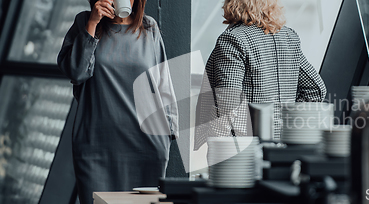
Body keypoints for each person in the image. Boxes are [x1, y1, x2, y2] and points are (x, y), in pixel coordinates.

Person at [57, 0, 178, 203]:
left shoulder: (149, 27)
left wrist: (169, 133)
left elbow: (164, 85)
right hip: (95, 147)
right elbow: (76, 73)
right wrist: (92, 24)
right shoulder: (84, 22)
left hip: (146, 147)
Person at [194, 0, 326, 150]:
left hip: (245, 151)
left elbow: (228, 106)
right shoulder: (288, 37)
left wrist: (220, 153)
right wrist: (289, 122)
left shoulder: (233, 39)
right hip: (282, 147)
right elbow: (316, 89)